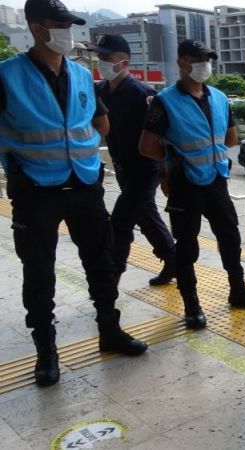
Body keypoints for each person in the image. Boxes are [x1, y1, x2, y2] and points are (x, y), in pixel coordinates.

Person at [0, 0, 148, 386]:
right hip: (35, 189)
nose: (67, 33)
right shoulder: (7, 75)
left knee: (101, 262)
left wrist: (78, 149)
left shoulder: (82, 75)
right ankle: (46, 351)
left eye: (69, 25)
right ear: (36, 28)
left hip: (84, 184)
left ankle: (110, 330)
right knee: (39, 272)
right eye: (59, 25)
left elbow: (101, 123)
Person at [139, 39, 245, 330]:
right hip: (185, 183)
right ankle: (192, 305)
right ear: (181, 63)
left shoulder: (219, 98)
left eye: (207, 59)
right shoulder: (164, 101)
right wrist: (172, 161)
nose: (204, 65)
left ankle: (238, 291)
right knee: (187, 246)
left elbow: (231, 138)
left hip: (217, 180)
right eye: (197, 60)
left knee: (230, 237)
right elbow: (146, 146)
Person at [91, 34, 176, 286]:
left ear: (125, 62)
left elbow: (162, 137)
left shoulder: (143, 94)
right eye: (100, 56)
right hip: (122, 168)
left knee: (120, 221)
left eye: (107, 57)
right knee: (145, 216)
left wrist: (164, 174)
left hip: (145, 169)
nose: (102, 61)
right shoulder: (99, 91)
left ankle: (109, 282)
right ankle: (173, 260)